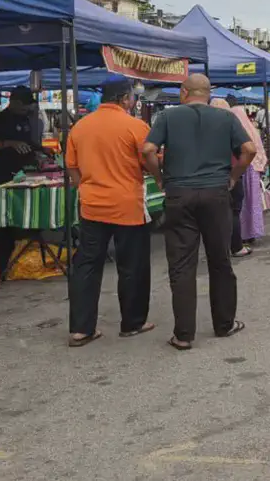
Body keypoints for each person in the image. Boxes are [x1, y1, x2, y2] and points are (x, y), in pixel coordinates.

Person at [141, 74, 256, 350]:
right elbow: (249, 149)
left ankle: (183, 335)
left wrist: (159, 177)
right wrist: (233, 176)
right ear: (208, 93)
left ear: (184, 92)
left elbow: (147, 149)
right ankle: (224, 324)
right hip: (216, 193)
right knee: (220, 260)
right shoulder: (226, 118)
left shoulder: (168, 117)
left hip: (179, 194)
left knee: (181, 265)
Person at [66, 77, 155, 347]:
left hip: (92, 205)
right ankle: (132, 323)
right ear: (124, 99)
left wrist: (87, 187)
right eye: (132, 97)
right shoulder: (136, 126)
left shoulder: (80, 127)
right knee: (132, 265)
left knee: (86, 266)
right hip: (127, 205)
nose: (134, 102)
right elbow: (149, 160)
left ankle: (81, 329)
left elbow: (71, 167)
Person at [214, 98, 267, 257]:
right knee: (236, 209)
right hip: (236, 171)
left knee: (217, 212)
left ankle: (221, 246)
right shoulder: (234, 129)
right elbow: (250, 150)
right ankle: (238, 244)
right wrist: (236, 174)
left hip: (213, 175)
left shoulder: (207, 129)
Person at [0, 86, 44, 184]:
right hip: (6, 173)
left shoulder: (24, 117)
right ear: (14, 102)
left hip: (26, 171)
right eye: (23, 104)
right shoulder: (1, 119)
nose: (26, 108)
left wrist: (41, 149)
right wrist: (9, 143)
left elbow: (26, 141)